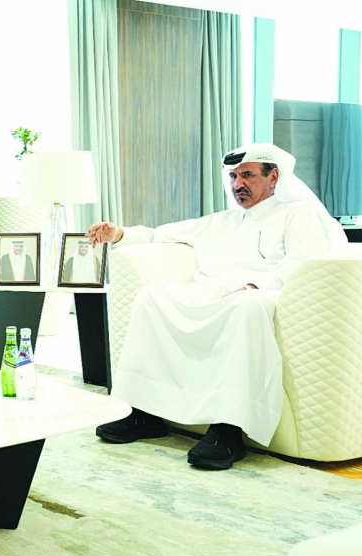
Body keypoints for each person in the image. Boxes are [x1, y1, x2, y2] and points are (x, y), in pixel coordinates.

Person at [85, 143, 345, 471]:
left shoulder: (297, 213)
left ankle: (227, 431)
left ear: (273, 176)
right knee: (153, 297)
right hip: (212, 293)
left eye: (248, 175)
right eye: (234, 176)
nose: (238, 184)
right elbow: (161, 234)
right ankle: (144, 413)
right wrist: (120, 233)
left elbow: (303, 265)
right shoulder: (222, 221)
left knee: (245, 307)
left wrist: (251, 285)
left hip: (262, 296)